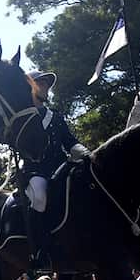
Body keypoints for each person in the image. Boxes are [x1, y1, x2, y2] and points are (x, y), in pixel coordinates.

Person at [17, 71, 90, 269]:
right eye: (41, 83)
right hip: (36, 171)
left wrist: (87, 153)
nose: (46, 88)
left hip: (61, 168)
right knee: (40, 196)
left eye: (47, 85)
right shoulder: (22, 116)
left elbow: (70, 141)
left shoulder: (55, 116)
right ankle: (40, 248)